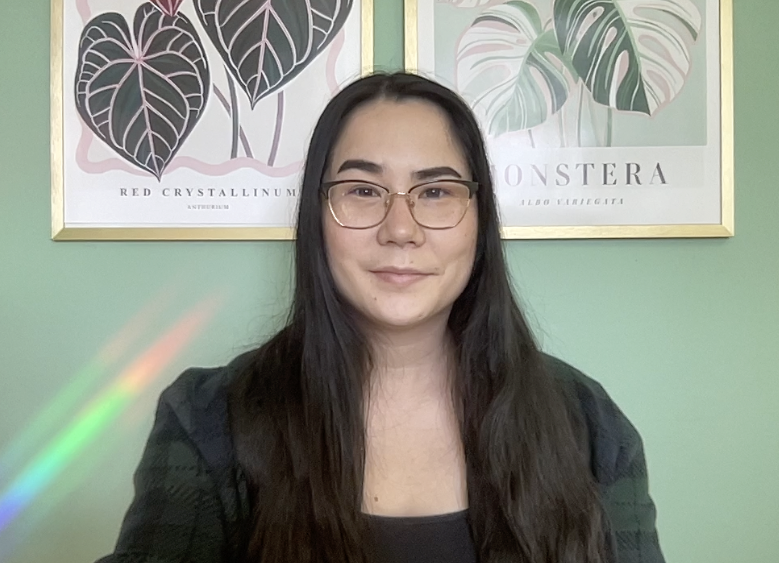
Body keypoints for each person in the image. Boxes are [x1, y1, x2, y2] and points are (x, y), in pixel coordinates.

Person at [96, 72, 664, 563]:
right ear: (316, 217)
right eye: (364, 190)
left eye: (436, 191)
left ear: (479, 219)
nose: (400, 229)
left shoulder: (587, 424)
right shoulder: (207, 420)